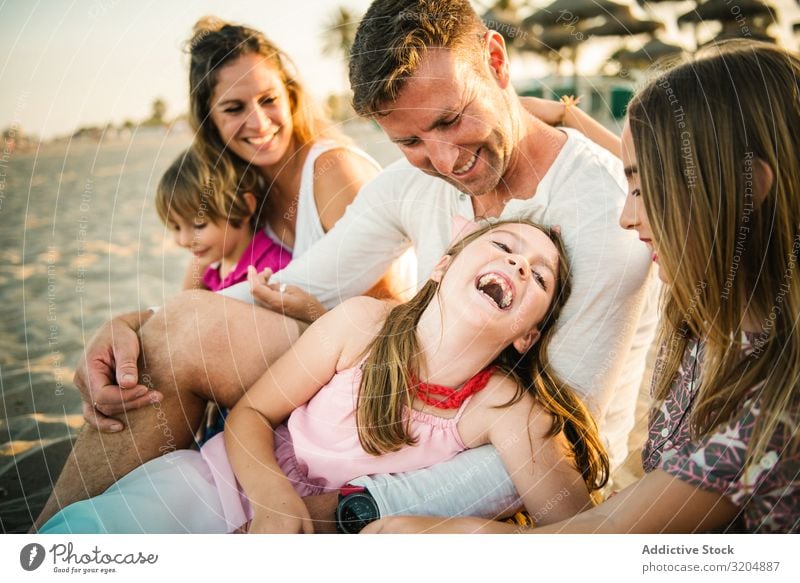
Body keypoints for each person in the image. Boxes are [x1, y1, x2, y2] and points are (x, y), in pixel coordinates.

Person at [34, 0, 655, 530]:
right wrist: (134, 324)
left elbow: (561, 448)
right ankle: (39, 549)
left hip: (496, 453)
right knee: (177, 334)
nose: (444, 158)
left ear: (496, 63)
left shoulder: (604, 212)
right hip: (398, 403)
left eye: (450, 118)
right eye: (410, 141)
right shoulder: (410, 186)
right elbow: (291, 287)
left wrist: (345, 511)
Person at [364, 40, 800, 534]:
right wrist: (570, 120)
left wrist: (454, 533)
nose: (626, 214)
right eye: (631, 186)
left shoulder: (777, 405)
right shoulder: (723, 312)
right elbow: (675, 169)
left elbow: (605, 541)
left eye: (643, 189)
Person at [40, 220, 609, 533]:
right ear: (441, 266)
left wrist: (482, 536)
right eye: (504, 246)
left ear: (527, 336)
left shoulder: (504, 408)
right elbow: (251, 415)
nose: (517, 264)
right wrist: (273, 501)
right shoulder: (362, 325)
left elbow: (582, 533)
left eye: (539, 277)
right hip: (226, 488)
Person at [156, 148, 290, 292]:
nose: (183, 240)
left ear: (244, 207)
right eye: (176, 227)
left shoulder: (272, 271)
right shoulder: (213, 263)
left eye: (198, 224)